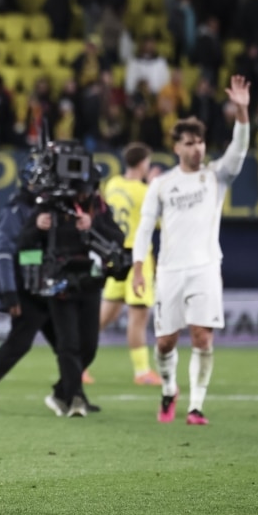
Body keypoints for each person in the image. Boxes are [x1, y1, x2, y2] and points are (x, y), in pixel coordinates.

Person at [132, 75, 251, 426]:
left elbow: (238, 151)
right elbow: (144, 227)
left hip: (205, 267)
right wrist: (138, 266)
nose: (197, 147)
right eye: (189, 142)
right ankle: (169, 388)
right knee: (166, 342)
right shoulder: (162, 185)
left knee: (202, 336)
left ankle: (196, 406)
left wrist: (242, 114)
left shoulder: (216, 176)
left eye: (200, 141)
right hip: (169, 270)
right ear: (177, 148)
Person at [16, 141, 126, 418]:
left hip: (89, 280)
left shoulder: (97, 208)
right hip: (58, 280)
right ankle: (75, 398)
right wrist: (38, 228)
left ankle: (61, 392)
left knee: (88, 346)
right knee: (68, 344)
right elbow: (22, 245)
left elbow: (117, 239)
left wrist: (93, 225)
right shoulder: (46, 205)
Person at [0, 161, 57, 411]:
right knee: (22, 342)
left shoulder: (50, 208)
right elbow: (5, 253)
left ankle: (70, 393)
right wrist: (9, 292)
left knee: (67, 344)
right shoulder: (15, 210)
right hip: (25, 287)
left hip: (46, 284)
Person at [99, 142, 162, 386]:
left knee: (105, 316)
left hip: (115, 255)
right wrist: (153, 186)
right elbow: (153, 219)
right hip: (138, 257)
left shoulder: (113, 184)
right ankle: (142, 371)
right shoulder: (144, 191)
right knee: (138, 317)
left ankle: (78, 363)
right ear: (143, 163)